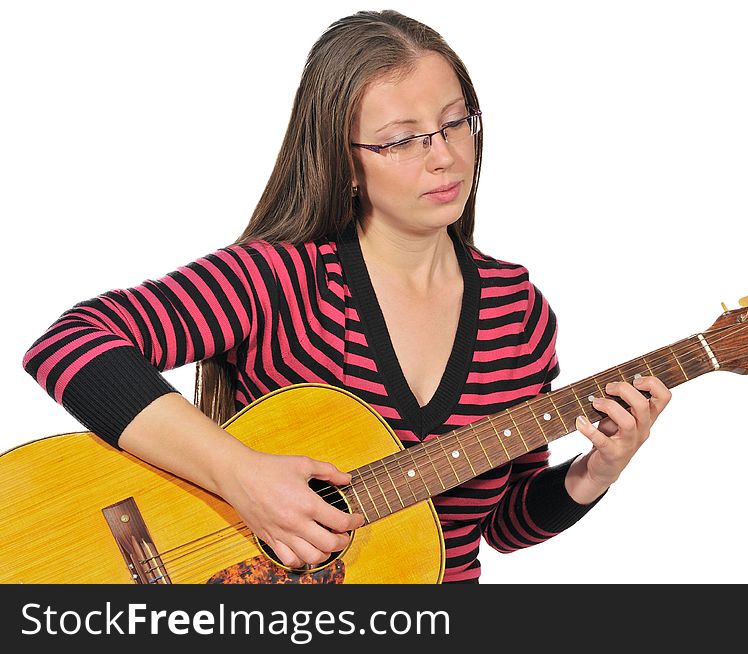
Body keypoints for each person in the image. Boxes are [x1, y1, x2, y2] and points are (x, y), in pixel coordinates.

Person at [22, 9, 671, 583]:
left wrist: (591, 475)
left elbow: (500, 524)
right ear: (346, 159)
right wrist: (242, 477)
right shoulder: (280, 281)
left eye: (454, 124)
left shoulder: (516, 310)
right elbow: (70, 345)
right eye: (401, 139)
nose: (443, 157)